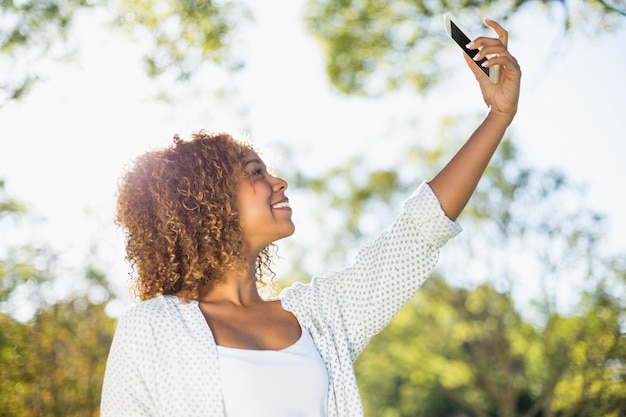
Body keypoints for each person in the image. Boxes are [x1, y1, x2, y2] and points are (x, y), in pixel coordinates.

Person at [101, 18, 521, 417]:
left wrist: (498, 116)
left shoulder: (320, 318)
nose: (279, 182)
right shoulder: (152, 328)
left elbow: (419, 230)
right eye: (255, 173)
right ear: (207, 202)